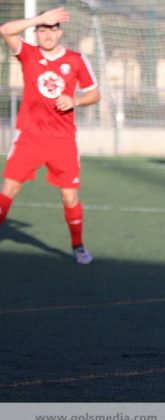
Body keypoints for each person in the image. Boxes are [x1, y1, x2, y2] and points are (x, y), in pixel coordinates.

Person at [0, 7, 101, 264]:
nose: (47, 34)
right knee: (9, 188)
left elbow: (94, 94)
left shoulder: (76, 60)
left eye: (52, 28)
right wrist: (39, 18)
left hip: (62, 140)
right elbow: (5, 30)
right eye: (43, 29)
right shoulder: (28, 54)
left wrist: (75, 101)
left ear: (60, 32)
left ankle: (78, 245)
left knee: (69, 196)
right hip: (30, 136)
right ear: (36, 32)